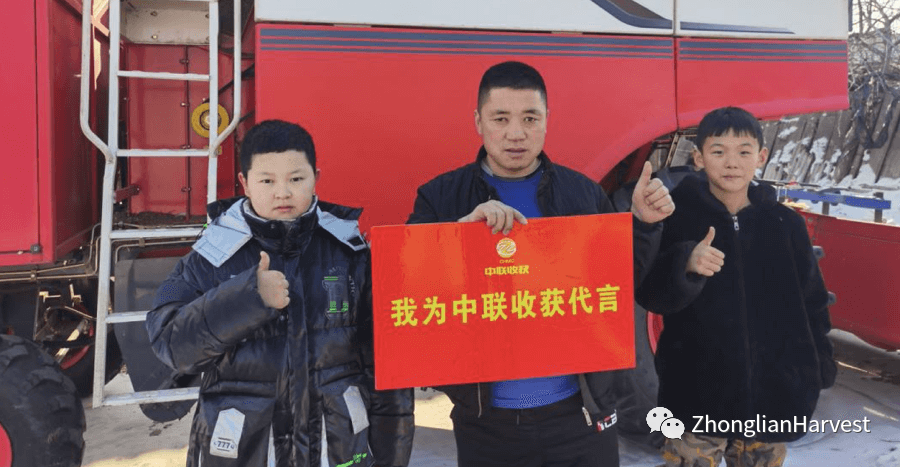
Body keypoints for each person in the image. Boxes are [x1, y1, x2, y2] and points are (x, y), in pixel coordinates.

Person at [407, 60, 675, 467]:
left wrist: (642, 226)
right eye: (501, 118)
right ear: (478, 121)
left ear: (548, 120)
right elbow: (408, 290)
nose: (516, 133)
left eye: (530, 118)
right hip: (486, 423)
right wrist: (458, 236)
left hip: (580, 416)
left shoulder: (583, 196)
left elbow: (621, 287)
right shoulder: (440, 198)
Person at [146, 119, 414, 467]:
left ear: (316, 176)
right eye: (267, 181)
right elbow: (171, 345)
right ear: (245, 182)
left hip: (338, 450)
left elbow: (389, 370)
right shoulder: (209, 255)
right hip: (243, 449)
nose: (282, 193)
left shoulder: (352, 253)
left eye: (296, 179)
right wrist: (247, 298)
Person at [636, 106, 836, 467]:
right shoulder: (676, 217)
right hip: (697, 400)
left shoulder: (785, 224)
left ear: (761, 156)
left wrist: (818, 366)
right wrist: (687, 264)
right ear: (698, 158)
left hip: (769, 401)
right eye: (718, 151)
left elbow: (812, 302)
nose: (732, 162)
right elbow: (651, 294)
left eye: (744, 151)